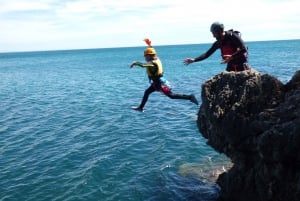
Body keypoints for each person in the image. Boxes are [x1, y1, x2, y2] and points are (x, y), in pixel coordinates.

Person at [130, 38, 198, 112]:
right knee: (147, 92)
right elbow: (153, 52)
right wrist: (149, 45)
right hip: (157, 82)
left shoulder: (152, 64)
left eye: (146, 56)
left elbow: (143, 65)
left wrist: (135, 63)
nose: (145, 57)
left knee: (171, 96)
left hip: (159, 83)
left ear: (150, 56)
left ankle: (190, 97)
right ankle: (141, 107)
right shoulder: (156, 59)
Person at [184, 22, 251, 72]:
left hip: (241, 65)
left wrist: (232, 56)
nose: (213, 36)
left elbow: (244, 48)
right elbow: (207, 54)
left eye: (214, 33)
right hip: (230, 66)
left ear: (220, 31)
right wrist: (194, 60)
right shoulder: (218, 43)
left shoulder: (232, 36)